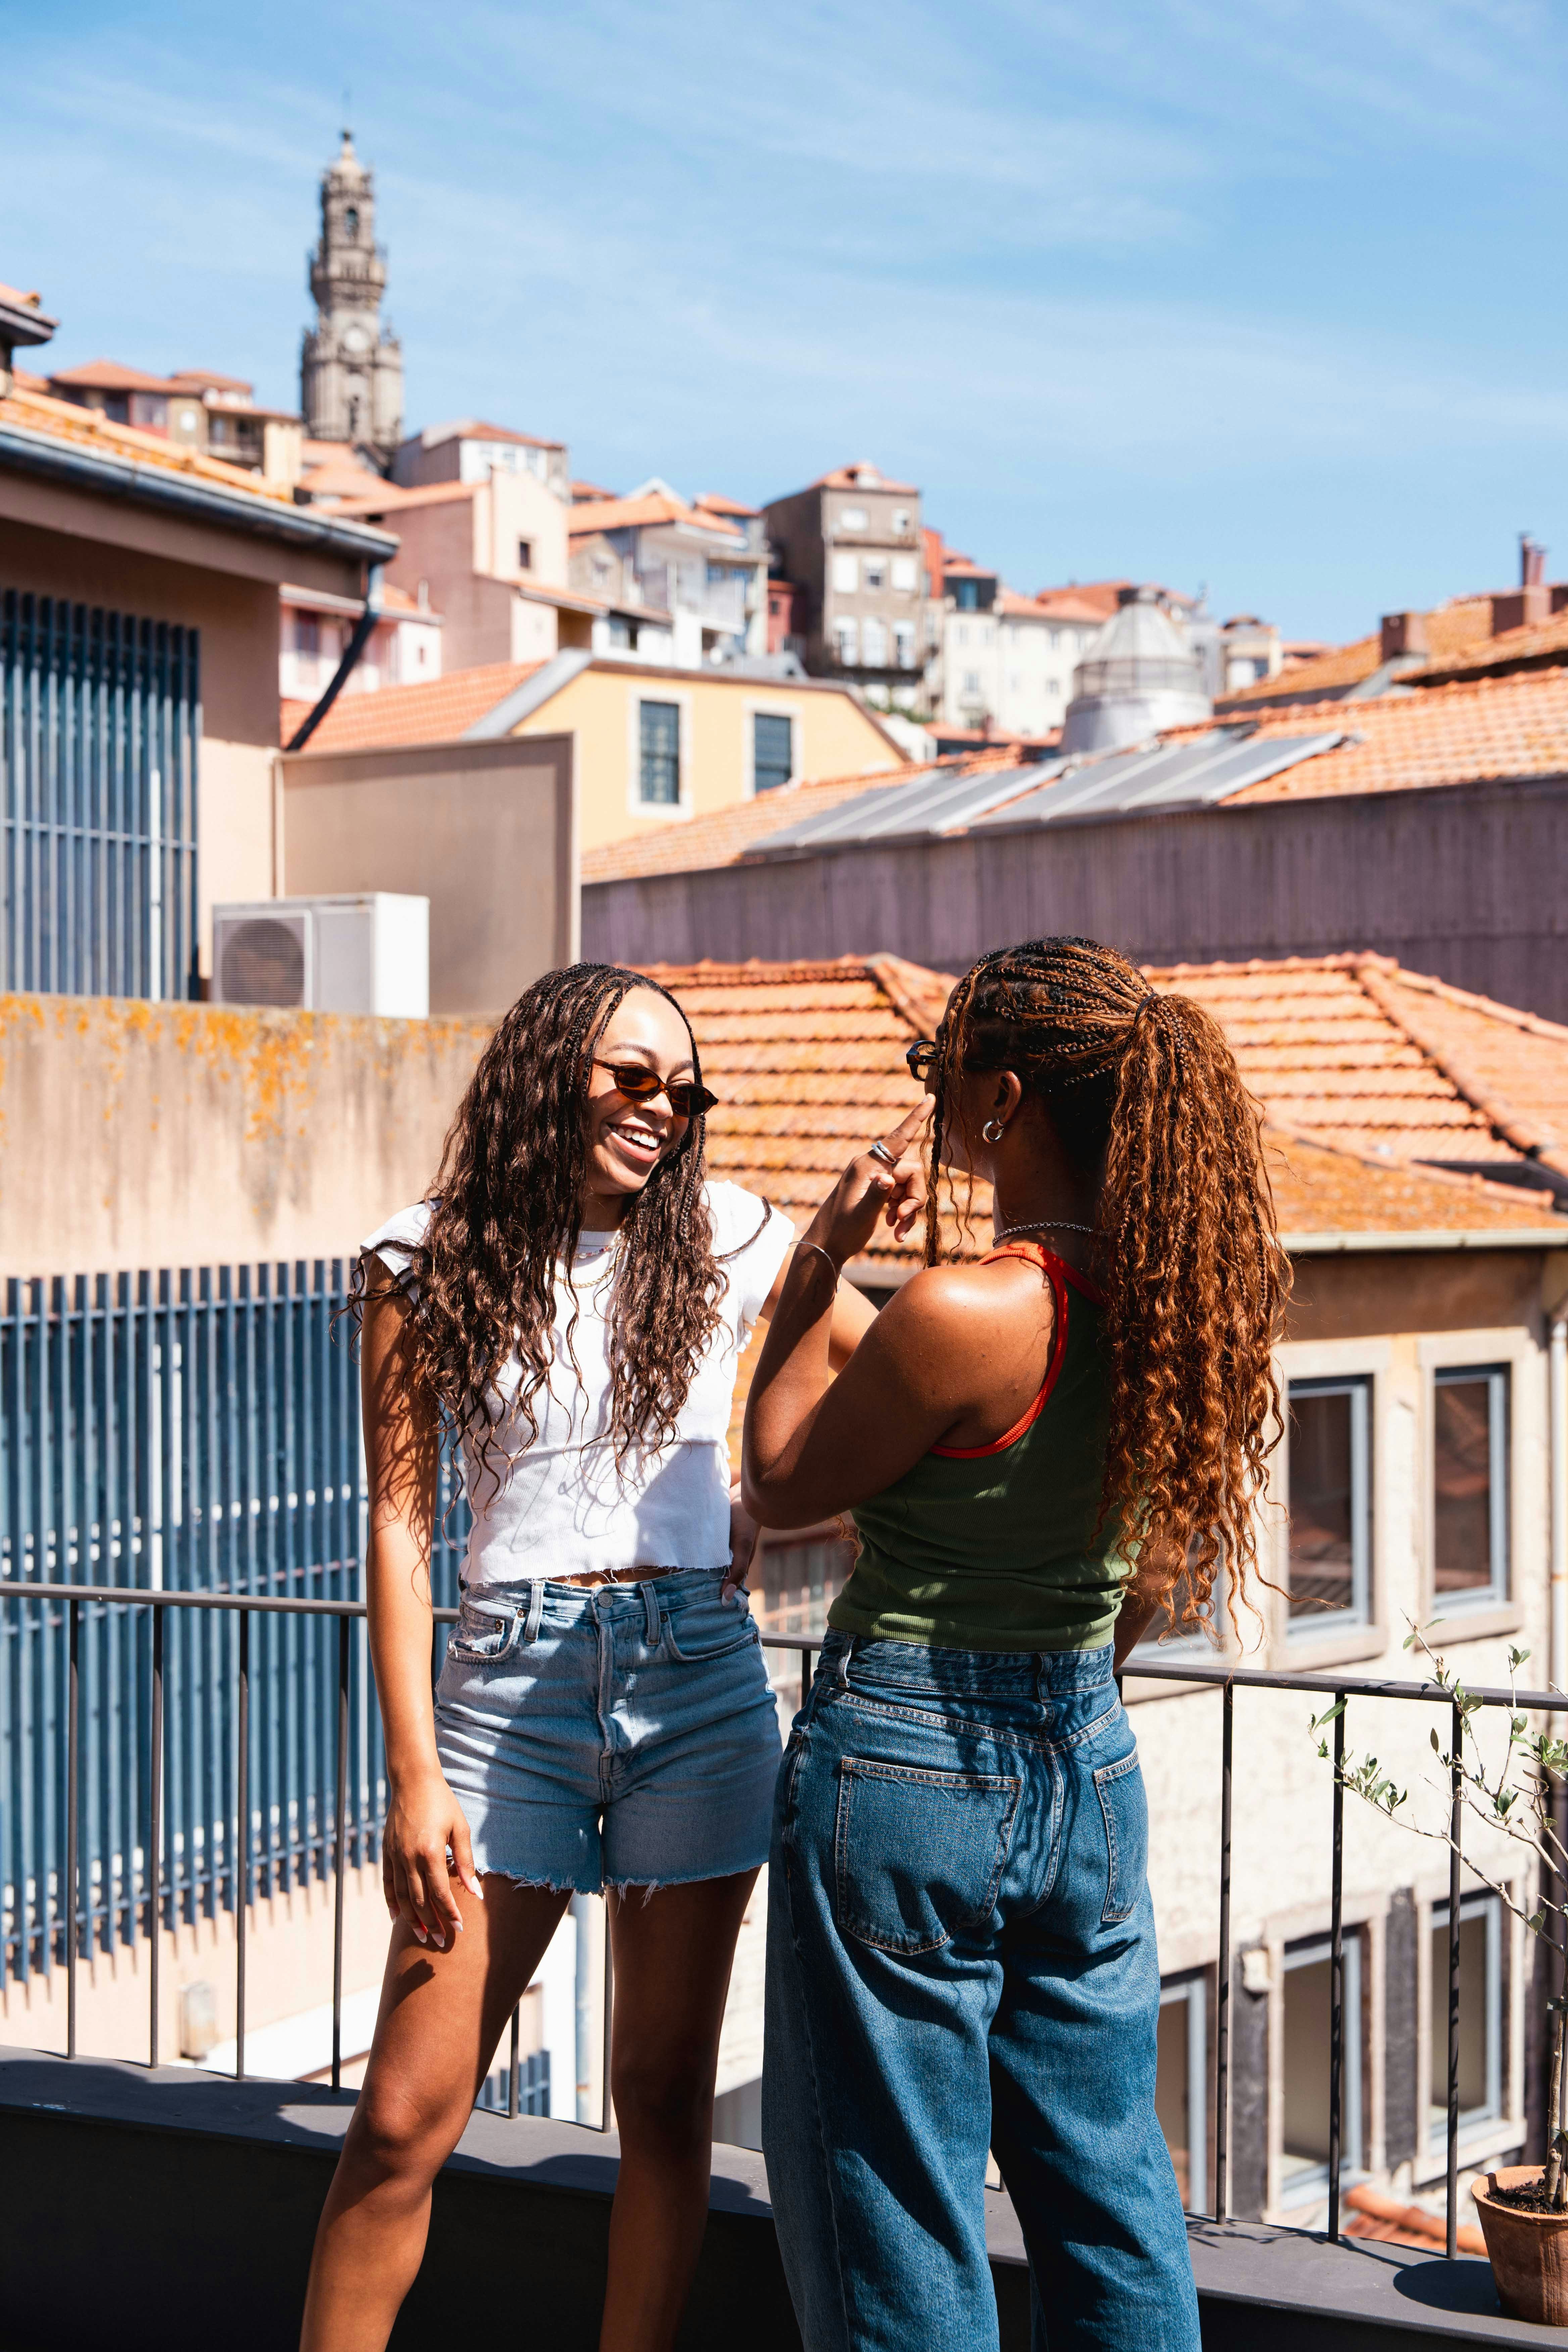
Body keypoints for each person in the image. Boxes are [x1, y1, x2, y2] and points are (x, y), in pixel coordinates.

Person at [299, 961, 877, 2352]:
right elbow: (395, 1521)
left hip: (699, 1682)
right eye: (633, 1076)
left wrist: (771, 1498)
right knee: (397, 2121)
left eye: (684, 1090)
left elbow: (891, 1396)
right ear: (547, 1067)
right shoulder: (419, 1257)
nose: (663, 1110)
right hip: (507, 1692)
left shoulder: (736, 1236)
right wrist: (412, 1776)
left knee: (667, 2098)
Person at [743, 935, 1289, 2352]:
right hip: (1087, 1765)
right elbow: (1154, 1580)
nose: (930, 1100)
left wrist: (816, 1262)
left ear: (998, 1100)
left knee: (898, 2201)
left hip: (905, 1765)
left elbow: (785, 1481)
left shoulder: (966, 1309)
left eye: (938, 1073)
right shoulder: (1185, 1312)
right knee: (1110, 2191)